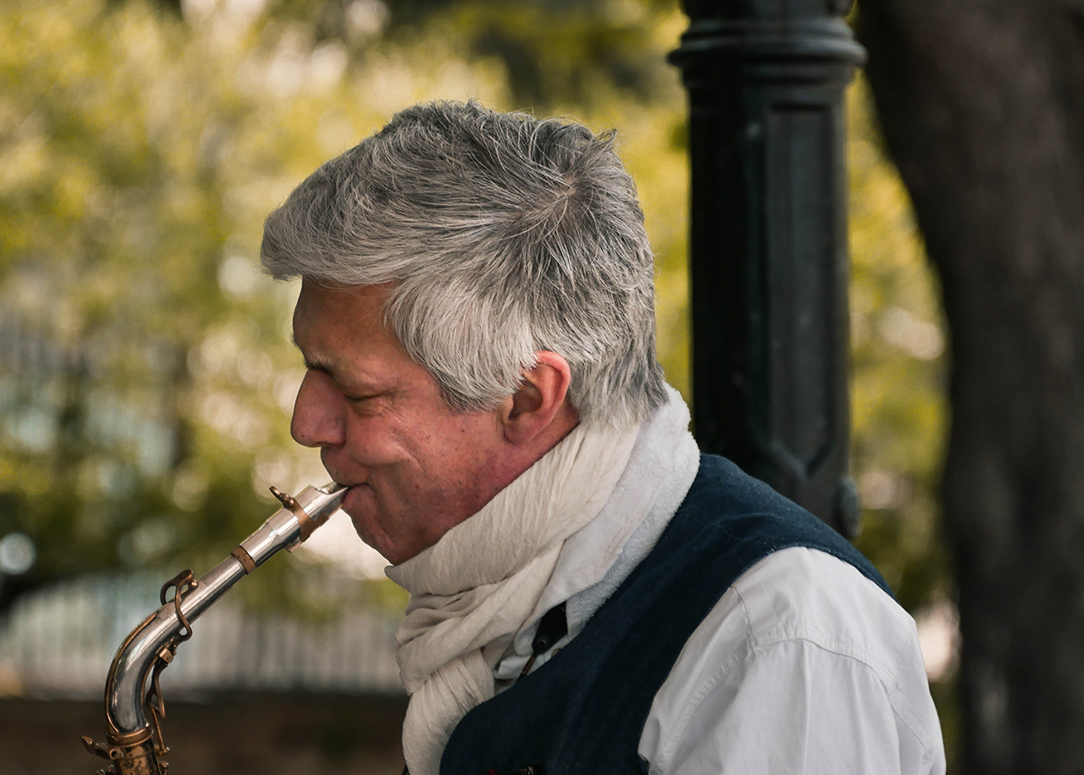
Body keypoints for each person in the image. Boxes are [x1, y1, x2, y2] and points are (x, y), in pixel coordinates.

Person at [261, 100, 945, 775]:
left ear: (527, 397)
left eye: (356, 390)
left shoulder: (781, 638)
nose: (305, 423)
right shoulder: (501, 597)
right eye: (307, 367)